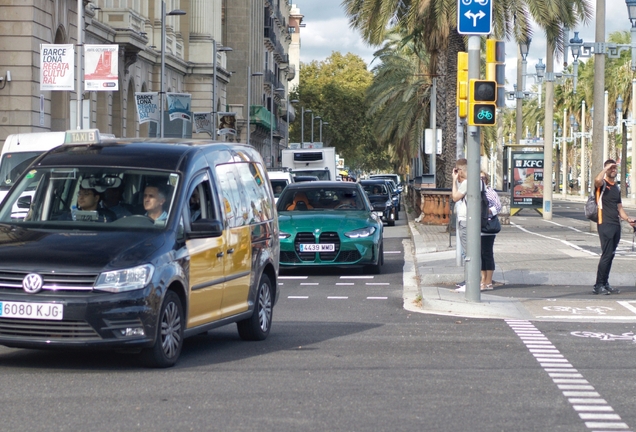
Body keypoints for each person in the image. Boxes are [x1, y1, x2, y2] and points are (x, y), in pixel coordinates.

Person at [592, 159, 636, 294]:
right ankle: (598, 285)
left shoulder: (616, 188)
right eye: (611, 168)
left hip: (616, 224)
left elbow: (619, 208)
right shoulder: (602, 185)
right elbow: (596, 180)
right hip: (605, 223)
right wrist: (606, 168)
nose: (613, 170)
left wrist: (628, 219)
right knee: (606, 255)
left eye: (615, 168)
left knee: (611, 255)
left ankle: (605, 282)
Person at [480, 172, 501, 291]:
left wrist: (487, 211)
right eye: (479, 178)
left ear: (487, 180)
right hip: (477, 226)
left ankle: (489, 281)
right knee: (480, 254)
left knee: (487, 253)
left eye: (483, 178)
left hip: (488, 226)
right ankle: (483, 279)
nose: (481, 180)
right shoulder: (474, 191)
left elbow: (498, 206)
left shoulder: (490, 192)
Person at [451, 158, 468, 291]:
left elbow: (455, 197)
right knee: (467, 252)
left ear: (461, 170)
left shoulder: (467, 183)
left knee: (467, 253)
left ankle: (470, 282)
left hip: (466, 221)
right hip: (468, 221)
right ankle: (469, 280)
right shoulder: (473, 182)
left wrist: (453, 180)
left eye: (457, 170)